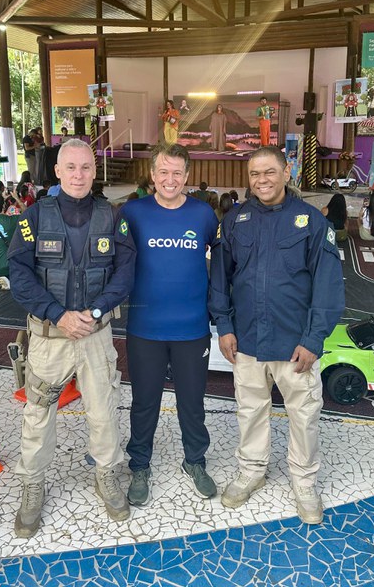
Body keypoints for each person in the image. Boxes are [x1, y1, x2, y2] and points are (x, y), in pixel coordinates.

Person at [209, 146, 344, 524]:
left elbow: (328, 286)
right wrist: (225, 326)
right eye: (255, 174)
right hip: (247, 342)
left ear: (287, 172)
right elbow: (220, 279)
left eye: (270, 172)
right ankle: (252, 470)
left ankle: (304, 483)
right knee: (250, 410)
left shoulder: (312, 223)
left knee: (303, 415)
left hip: (294, 344)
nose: (262, 180)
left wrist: (314, 339)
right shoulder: (234, 220)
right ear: (248, 178)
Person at [7, 139, 136, 537]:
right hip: (49, 338)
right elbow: (19, 274)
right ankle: (32, 485)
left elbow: (125, 273)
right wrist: (58, 314)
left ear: (94, 172)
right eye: (71, 168)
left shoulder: (112, 216)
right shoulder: (33, 217)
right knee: (38, 413)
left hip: (95, 337)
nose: (79, 175)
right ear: (58, 172)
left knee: (103, 410)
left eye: (86, 167)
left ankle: (107, 474)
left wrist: (94, 312)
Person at [119, 143, 218, 506]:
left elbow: (219, 262)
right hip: (145, 328)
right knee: (144, 402)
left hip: (192, 328)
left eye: (177, 173)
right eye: (163, 172)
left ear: (187, 176)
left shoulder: (204, 214)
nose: (170, 179)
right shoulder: (133, 212)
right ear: (152, 175)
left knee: (192, 402)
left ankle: (195, 460)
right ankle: (140, 465)